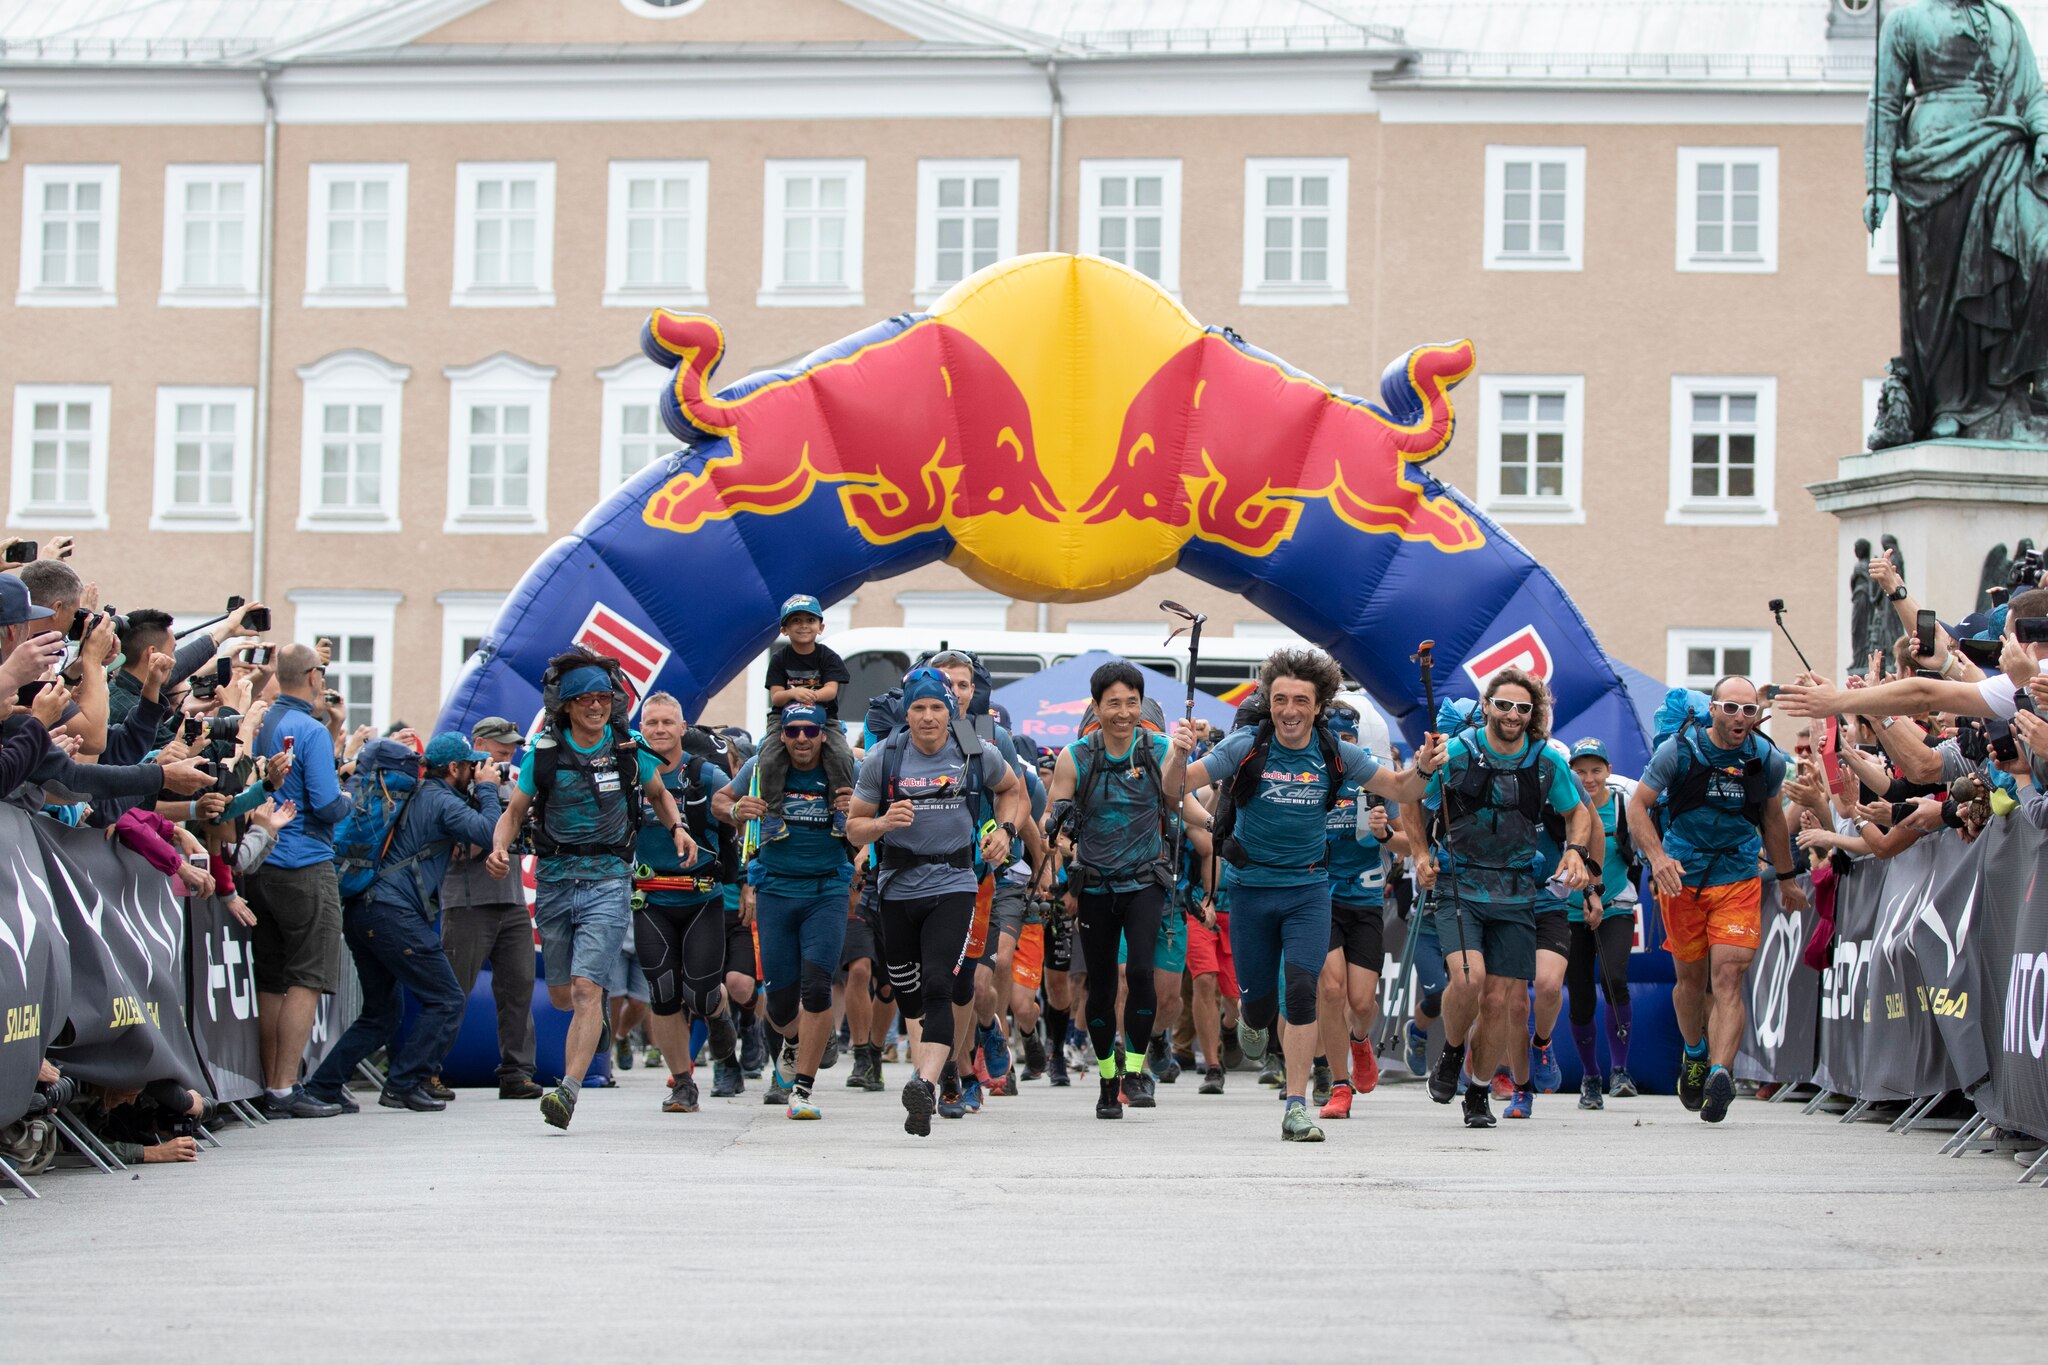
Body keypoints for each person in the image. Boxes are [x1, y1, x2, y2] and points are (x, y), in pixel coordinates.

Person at [1167, 648, 1444, 1142]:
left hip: (1309, 891)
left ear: (1318, 706)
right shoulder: (1245, 747)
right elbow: (1175, 788)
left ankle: (1297, 1106)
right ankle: (1252, 1023)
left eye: (1301, 700)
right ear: (1268, 702)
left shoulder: (1336, 752)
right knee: (1255, 1010)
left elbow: (1401, 789)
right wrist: (1176, 751)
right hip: (1251, 892)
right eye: (1280, 700)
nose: (1289, 710)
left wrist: (1422, 766)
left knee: (1302, 990)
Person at [487, 662, 696, 1132]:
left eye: (604, 698)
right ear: (567, 707)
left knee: (585, 989)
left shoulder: (627, 750)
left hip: (608, 879)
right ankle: (595, 1011)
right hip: (557, 880)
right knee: (564, 995)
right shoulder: (543, 754)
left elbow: (660, 794)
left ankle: (568, 1091)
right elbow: (515, 812)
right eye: (587, 699)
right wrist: (500, 847)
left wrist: (678, 829)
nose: (598, 706)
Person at [844, 665, 1028, 1137]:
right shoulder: (884, 757)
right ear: (907, 712)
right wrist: (883, 824)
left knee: (940, 984)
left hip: (955, 882)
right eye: (919, 708)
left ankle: (925, 1085)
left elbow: (1013, 790)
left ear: (951, 711)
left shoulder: (973, 748)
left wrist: (1005, 831)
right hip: (896, 886)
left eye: (937, 708)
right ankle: (941, 1070)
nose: (928, 717)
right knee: (909, 993)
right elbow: (853, 827)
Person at [1417, 669, 1594, 1129]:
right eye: (1504, 705)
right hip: (1460, 884)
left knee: (1498, 1002)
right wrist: (1419, 853)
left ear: (1533, 715)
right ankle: (1452, 1051)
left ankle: (1478, 1092)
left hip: (1517, 892)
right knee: (1469, 981)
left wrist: (1576, 852)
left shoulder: (1545, 762)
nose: (1513, 714)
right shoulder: (1457, 752)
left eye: (1523, 708)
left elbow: (1578, 813)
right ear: (1487, 705)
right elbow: (1412, 798)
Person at [1626, 675, 1801, 1124]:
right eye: (1730, 708)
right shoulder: (1678, 752)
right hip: (1682, 879)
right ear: (1714, 710)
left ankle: (1720, 1075)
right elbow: (1637, 807)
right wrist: (1658, 857)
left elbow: (1772, 819)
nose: (1740, 718)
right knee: (1689, 981)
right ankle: (1696, 1053)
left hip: (1739, 876)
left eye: (1748, 710)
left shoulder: (1765, 759)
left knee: (1728, 977)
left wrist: (1786, 877)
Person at [306, 733, 504, 1112]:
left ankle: (323, 1086)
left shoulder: (421, 795)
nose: (476, 771)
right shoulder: (439, 798)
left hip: (365, 909)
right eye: (471, 766)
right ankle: (403, 1083)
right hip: (391, 912)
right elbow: (490, 833)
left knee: (383, 1014)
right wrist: (489, 790)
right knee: (446, 998)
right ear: (455, 768)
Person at [1044, 659, 1187, 1119]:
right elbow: (1053, 821)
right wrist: (1062, 832)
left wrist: (1218, 828)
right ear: (1096, 706)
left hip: (1145, 880)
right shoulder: (1076, 757)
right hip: (1096, 885)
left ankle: (1135, 1071)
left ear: (1140, 704)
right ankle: (1107, 1078)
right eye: (1113, 704)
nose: (1123, 713)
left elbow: (1180, 800)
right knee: (1102, 985)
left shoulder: (1160, 748)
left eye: (1131, 702)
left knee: (1142, 973)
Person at [718, 702, 856, 1118]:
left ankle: (803, 1090)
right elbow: (720, 801)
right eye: (792, 731)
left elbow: (876, 815)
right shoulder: (761, 767)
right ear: (782, 735)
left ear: (822, 735)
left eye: (810, 732)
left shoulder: (845, 769)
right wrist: (735, 811)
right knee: (778, 1007)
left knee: (816, 988)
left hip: (826, 890)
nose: (801, 739)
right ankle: (796, 1041)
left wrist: (857, 813)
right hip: (775, 891)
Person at [245, 642, 355, 1120]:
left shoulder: (258, 721)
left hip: (258, 858)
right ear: (312, 676)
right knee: (306, 977)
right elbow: (328, 804)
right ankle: (286, 1087)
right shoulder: (308, 730)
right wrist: (351, 798)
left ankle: (269, 1085)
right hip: (304, 861)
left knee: (271, 979)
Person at [617, 693, 733, 1114]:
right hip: (650, 897)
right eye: (651, 723)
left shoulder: (706, 775)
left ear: (683, 728)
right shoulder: (628, 774)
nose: (660, 729)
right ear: (640, 729)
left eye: (668, 722)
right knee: (663, 993)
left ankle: (718, 1013)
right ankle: (683, 1084)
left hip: (702, 895)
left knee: (699, 995)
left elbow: (738, 813)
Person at [438, 716, 543, 1100]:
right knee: (452, 991)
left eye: (512, 745)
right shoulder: (455, 789)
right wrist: (486, 793)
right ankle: (425, 1069)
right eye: (500, 745)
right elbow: (469, 844)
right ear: (478, 744)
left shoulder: (511, 786)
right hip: (468, 904)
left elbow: (522, 834)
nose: (508, 752)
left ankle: (517, 1072)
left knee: (518, 989)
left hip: (512, 901)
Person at [1316, 700, 1410, 1121]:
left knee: (1361, 1000)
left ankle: (1360, 1040)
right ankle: (1339, 1084)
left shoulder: (1375, 778)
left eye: (1349, 739)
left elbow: (1411, 841)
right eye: (1335, 738)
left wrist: (1386, 832)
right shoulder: (1311, 777)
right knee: (1332, 990)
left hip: (1367, 900)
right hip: (1319, 897)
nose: (1342, 747)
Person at [1563, 738, 1640, 1109]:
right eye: (1580, 771)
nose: (1589, 778)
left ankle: (1620, 1072)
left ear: (1608, 771)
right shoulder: (1565, 806)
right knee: (1579, 997)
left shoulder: (1625, 804)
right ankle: (1591, 1076)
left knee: (1616, 979)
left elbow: (1651, 839)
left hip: (1615, 906)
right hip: (1571, 913)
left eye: (1596, 770)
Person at [756, 594, 856, 843]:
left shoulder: (828, 657)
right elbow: (777, 697)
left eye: (810, 620)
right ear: (784, 629)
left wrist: (811, 696)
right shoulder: (779, 659)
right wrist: (793, 694)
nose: (803, 625)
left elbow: (831, 691)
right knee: (769, 757)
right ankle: (773, 816)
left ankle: (840, 810)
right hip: (783, 719)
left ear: (820, 626)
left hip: (824, 720)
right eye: (796, 620)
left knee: (842, 755)